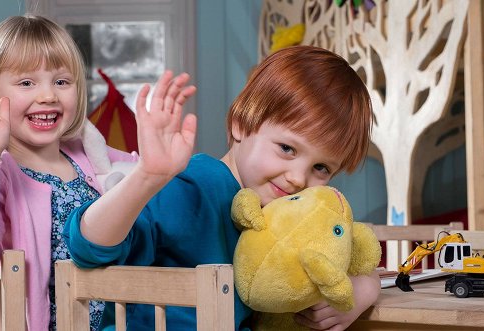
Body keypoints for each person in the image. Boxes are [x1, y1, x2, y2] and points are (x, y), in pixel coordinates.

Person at [65, 45, 379, 331]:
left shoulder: (287, 215)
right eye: (287, 148)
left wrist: (364, 289)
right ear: (241, 124)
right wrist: (146, 177)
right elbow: (87, 248)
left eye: (321, 168)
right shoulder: (194, 187)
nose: (298, 178)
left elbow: (353, 253)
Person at [0, 15, 194, 330]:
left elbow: (151, 203)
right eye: (26, 82)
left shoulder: (95, 155)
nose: (48, 95)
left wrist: (161, 162)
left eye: (61, 81)